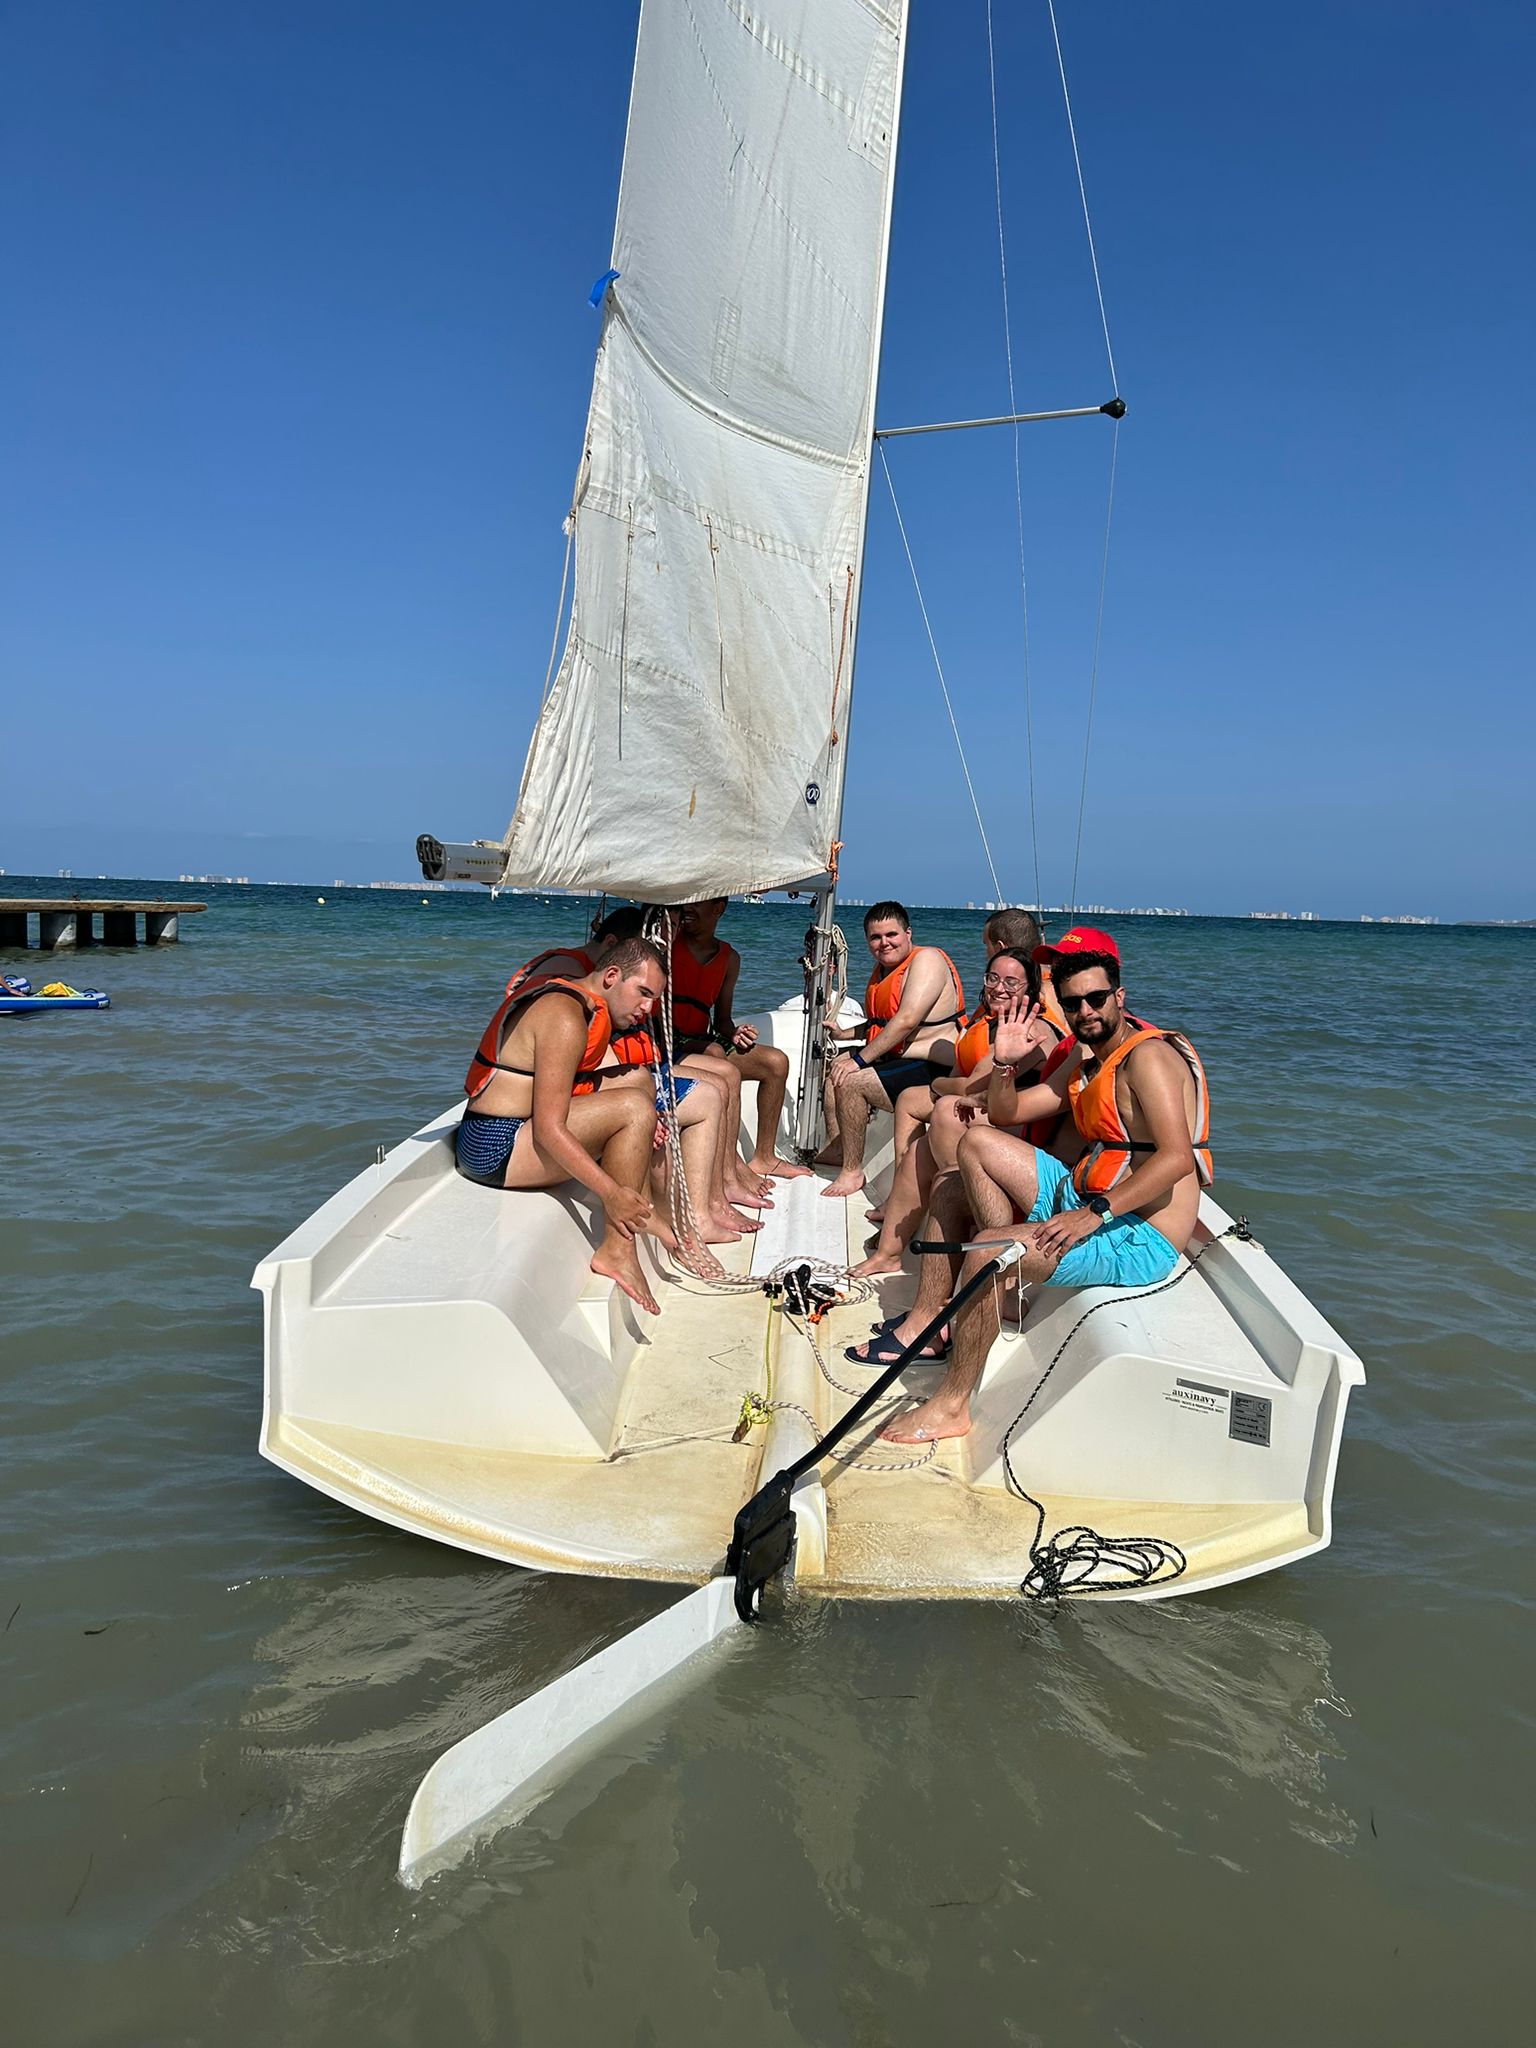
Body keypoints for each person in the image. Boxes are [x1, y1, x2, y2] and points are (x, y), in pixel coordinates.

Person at [874, 929, 1213, 1442]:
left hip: (1139, 1234)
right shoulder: (1087, 1056)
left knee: (989, 1254)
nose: (1085, 1012)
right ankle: (983, 1301)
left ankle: (951, 1406)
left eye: (1096, 999)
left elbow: (1176, 1158)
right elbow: (1007, 1112)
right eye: (1073, 1003)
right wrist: (1004, 1064)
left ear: (1119, 996)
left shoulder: (1149, 1058)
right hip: (1089, 1199)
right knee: (968, 1155)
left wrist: (1092, 1214)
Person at [454, 935, 676, 1313]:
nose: (648, 1008)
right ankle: (617, 1250)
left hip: (518, 1128)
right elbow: (548, 1129)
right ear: (611, 976)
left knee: (638, 1081)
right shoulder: (565, 1016)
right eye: (643, 993)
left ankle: (645, 1206)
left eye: (654, 999)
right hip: (492, 1146)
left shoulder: (584, 1005)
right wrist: (610, 1193)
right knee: (635, 1110)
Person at [851, 947, 1067, 1277]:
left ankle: (963, 1213)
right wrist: (947, 1086)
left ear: (1030, 990)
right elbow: (963, 1082)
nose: (999, 988)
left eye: (1011, 983)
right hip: (996, 1121)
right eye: (993, 978)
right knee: (917, 1153)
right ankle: (888, 1254)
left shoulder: (1030, 1030)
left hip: (1029, 1139)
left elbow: (967, 1086)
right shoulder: (989, 1022)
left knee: (946, 1110)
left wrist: (940, 1084)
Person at [820, 901, 965, 1200]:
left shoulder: (926, 960)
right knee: (835, 1068)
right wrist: (844, 1035)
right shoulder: (885, 971)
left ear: (907, 934)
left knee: (851, 1080)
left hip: (933, 1065)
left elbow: (906, 1020)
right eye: (875, 937)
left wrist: (859, 1060)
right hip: (901, 1058)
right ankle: (840, 1148)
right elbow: (880, 1023)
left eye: (891, 935)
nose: (884, 943)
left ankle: (852, 1171)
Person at [669, 897, 810, 1180]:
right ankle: (728, 1163)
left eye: (697, 902)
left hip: (702, 1040)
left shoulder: (729, 959)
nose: (686, 908)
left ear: (718, 908)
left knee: (775, 1062)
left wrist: (734, 1033)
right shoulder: (668, 943)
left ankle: (764, 1158)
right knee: (714, 1053)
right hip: (669, 1042)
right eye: (686, 901)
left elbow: (722, 1020)